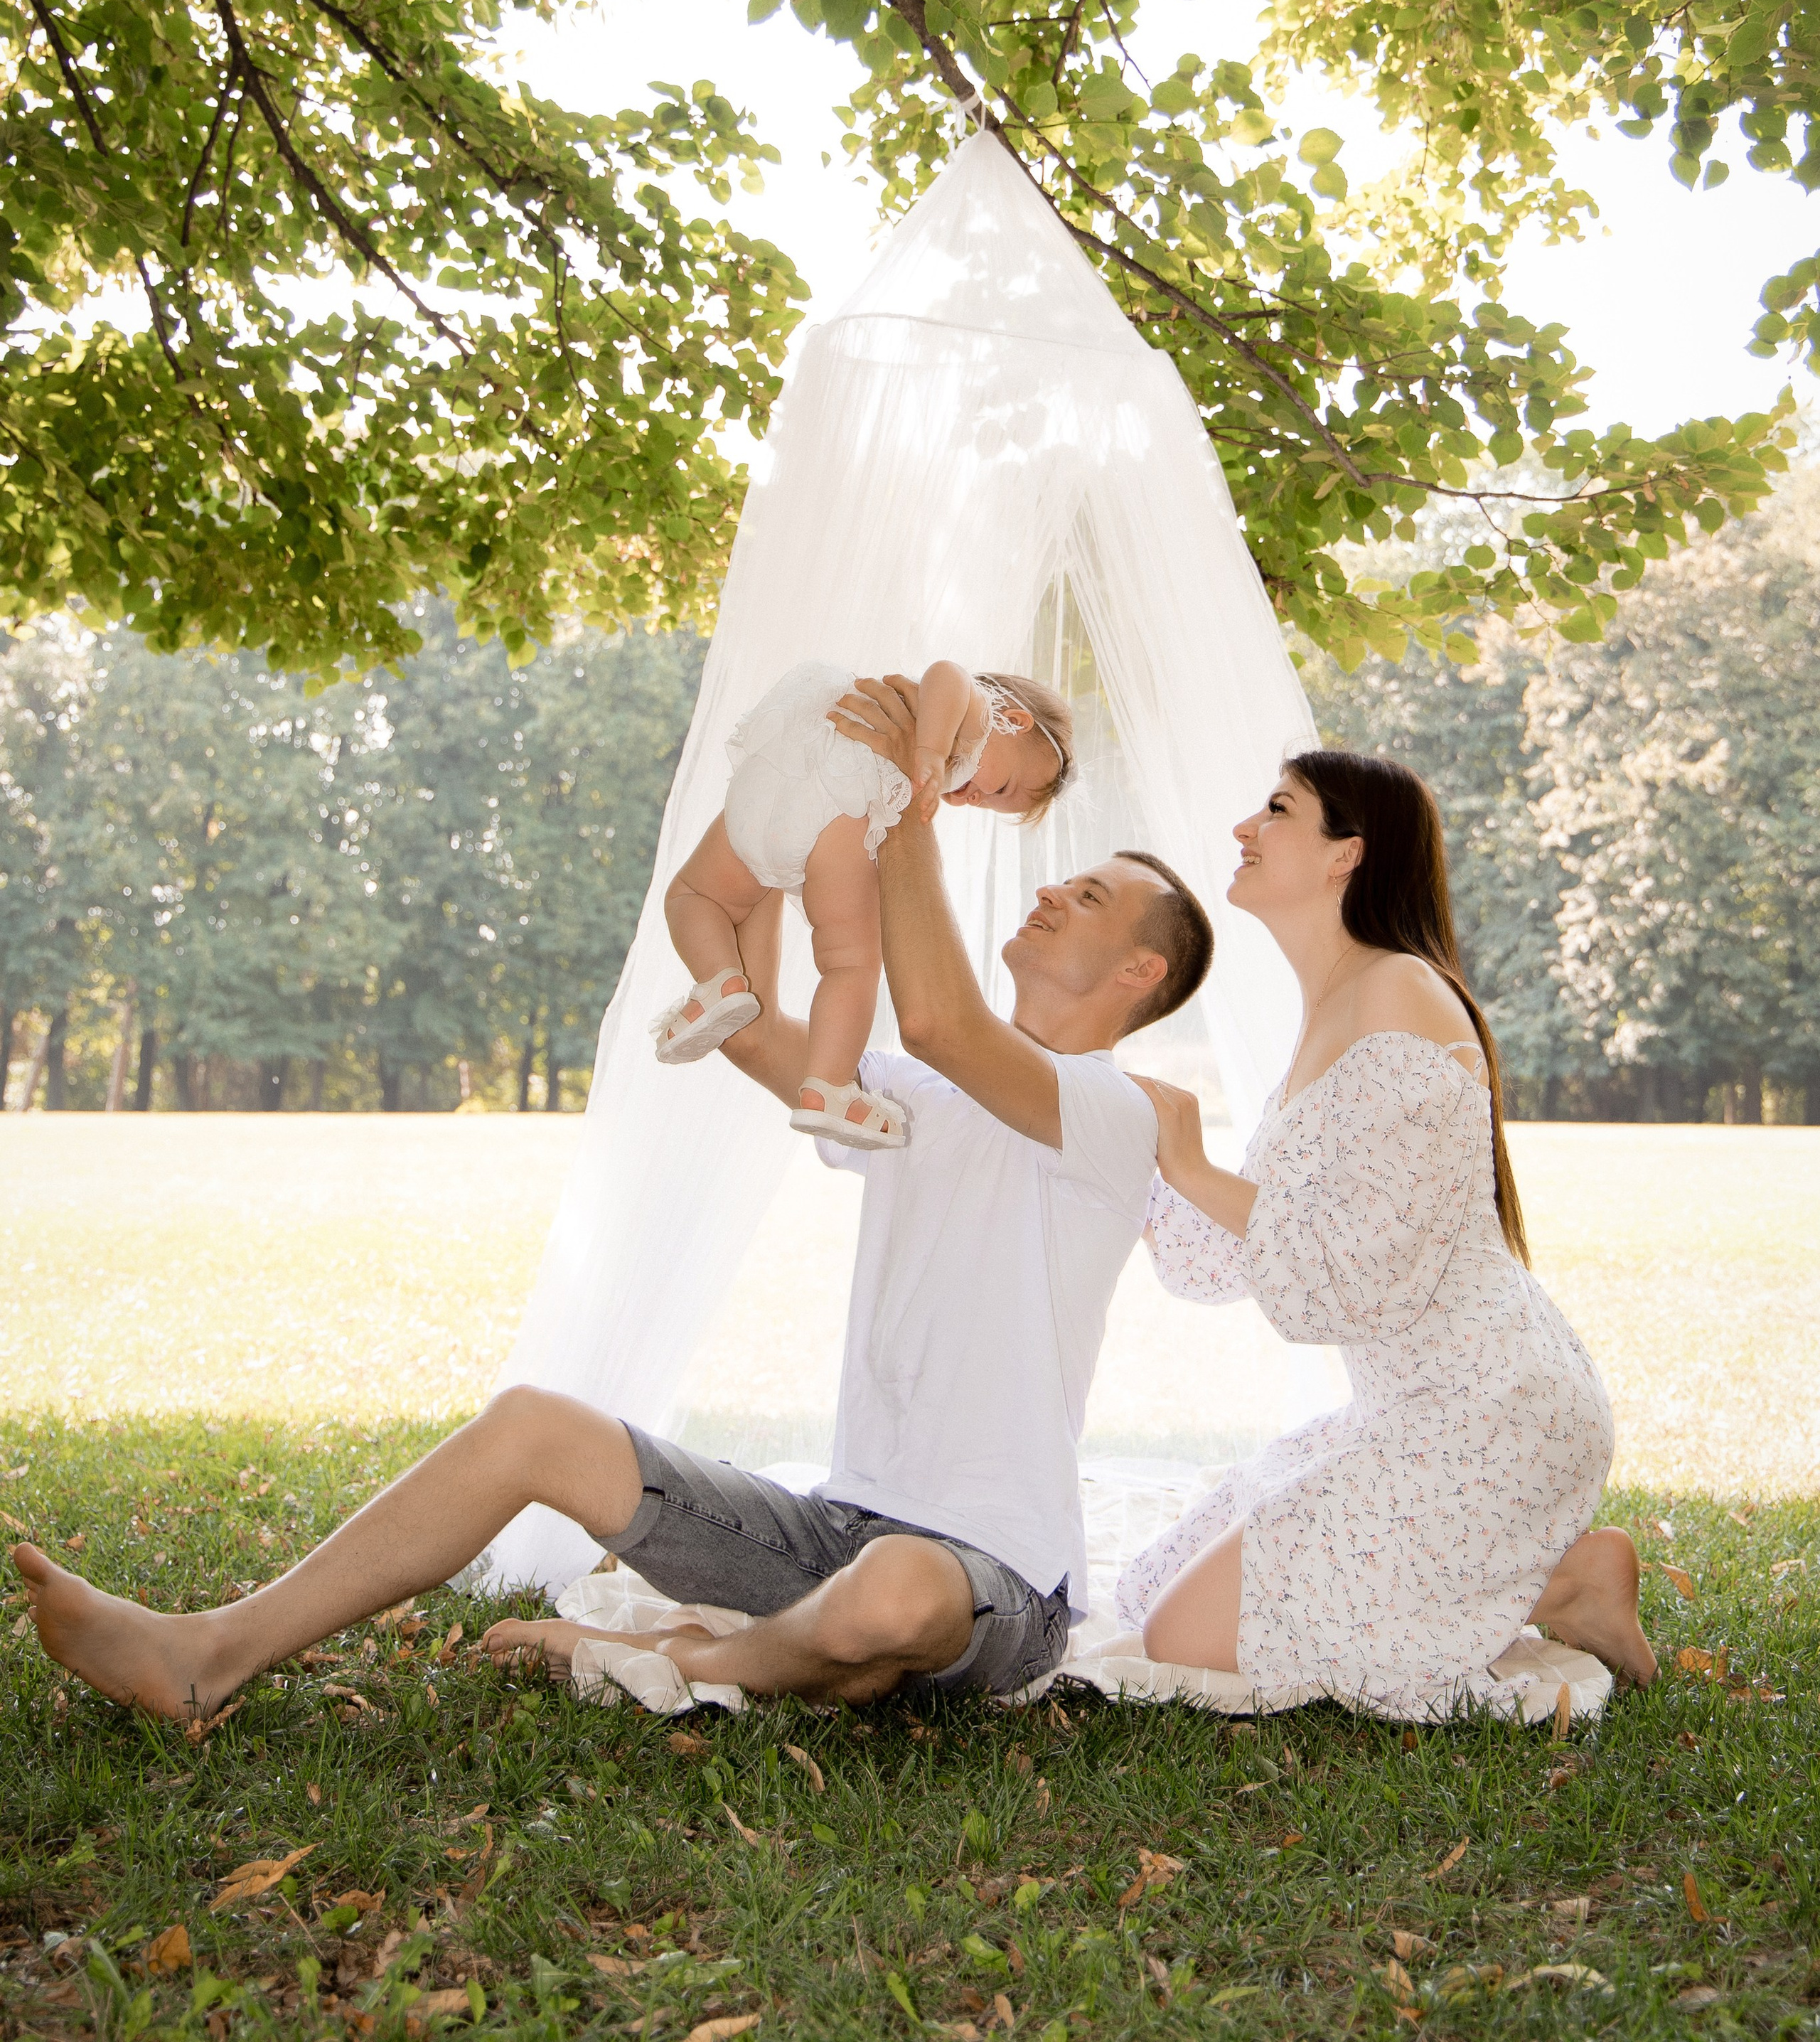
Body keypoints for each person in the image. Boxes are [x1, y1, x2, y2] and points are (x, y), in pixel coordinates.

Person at [14, 674, 1210, 1718]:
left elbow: (944, 1018)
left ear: (1139, 972)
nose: (1052, 894)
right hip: (833, 1534)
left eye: (1092, 899)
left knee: (897, 1595)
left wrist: (905, 793)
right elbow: (753, 1025)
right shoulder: (908, 1096)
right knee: (535, 1423)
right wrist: (795, 839)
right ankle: (209, 1651)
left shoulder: (1115, 1116)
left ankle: (678, 1658)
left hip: (989, 1581)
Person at [1115, 747, 1656, 1716]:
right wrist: (1132, 1156)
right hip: (1416, 1407)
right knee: (1163, 1583)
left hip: (1487, 1412)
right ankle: (1564, 1580)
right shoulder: (1332, 1008)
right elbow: (1232, 1259)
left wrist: (1193, 1165)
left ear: (1345, 855)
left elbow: (1352, 1277)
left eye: (1277, 809)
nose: (1245, 829)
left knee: (1186, 1638)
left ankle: (1547, 1583)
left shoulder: (1399, 993)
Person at [651, 658, 1073, 1149]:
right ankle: (827, 1089)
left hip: (768, 786)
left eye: (983, 802)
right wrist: (933, 752)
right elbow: (948, 674)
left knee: (694, 895)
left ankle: (717, 981)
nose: (972, 796)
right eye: (999, 788)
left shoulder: (956, 747)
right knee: (849, 963)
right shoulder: (979, 715)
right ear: (1013, 719)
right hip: (841, 811)